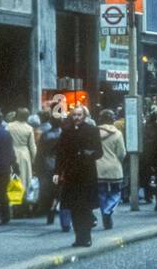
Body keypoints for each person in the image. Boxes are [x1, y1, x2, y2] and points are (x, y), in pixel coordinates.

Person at [54, 105, 102, 247]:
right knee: (74, 207)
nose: (76, 118)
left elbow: (99, 152)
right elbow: (60, 154)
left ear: (84, 116)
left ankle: (86, 237)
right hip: (71, 174)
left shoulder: (92, 130)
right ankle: (78, 237)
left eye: (79, 115)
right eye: (74, 115)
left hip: (87, 174)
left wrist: (88, 153)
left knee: (85, 207)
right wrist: (57, 172)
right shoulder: (66, 132)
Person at [36, 109, 70, 230]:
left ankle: (50, 211)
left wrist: (37, 167)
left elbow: (40, 153)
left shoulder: (45, 135)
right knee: (62, 192)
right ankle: (63, 217)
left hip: (48, 165)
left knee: (50, 191)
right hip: (61, 166)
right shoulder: (65, 134)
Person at [95, 109, 126, 230]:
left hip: (98, 167)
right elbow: (122, 153)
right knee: (116, 192)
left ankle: (104, 213)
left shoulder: (94, 133)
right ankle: (108, 211)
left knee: (101, 193)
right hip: (114, 168)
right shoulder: (117, 134)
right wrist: (117, 161)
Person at [8, 109, 37, 202]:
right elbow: (32, 146)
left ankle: (13, 199)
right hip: (24, 154)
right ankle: (23, 200)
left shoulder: (9, 126)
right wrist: (34, 159)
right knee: (24, 178)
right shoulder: (29, 128)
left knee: (13, 177)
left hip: (12, 152)